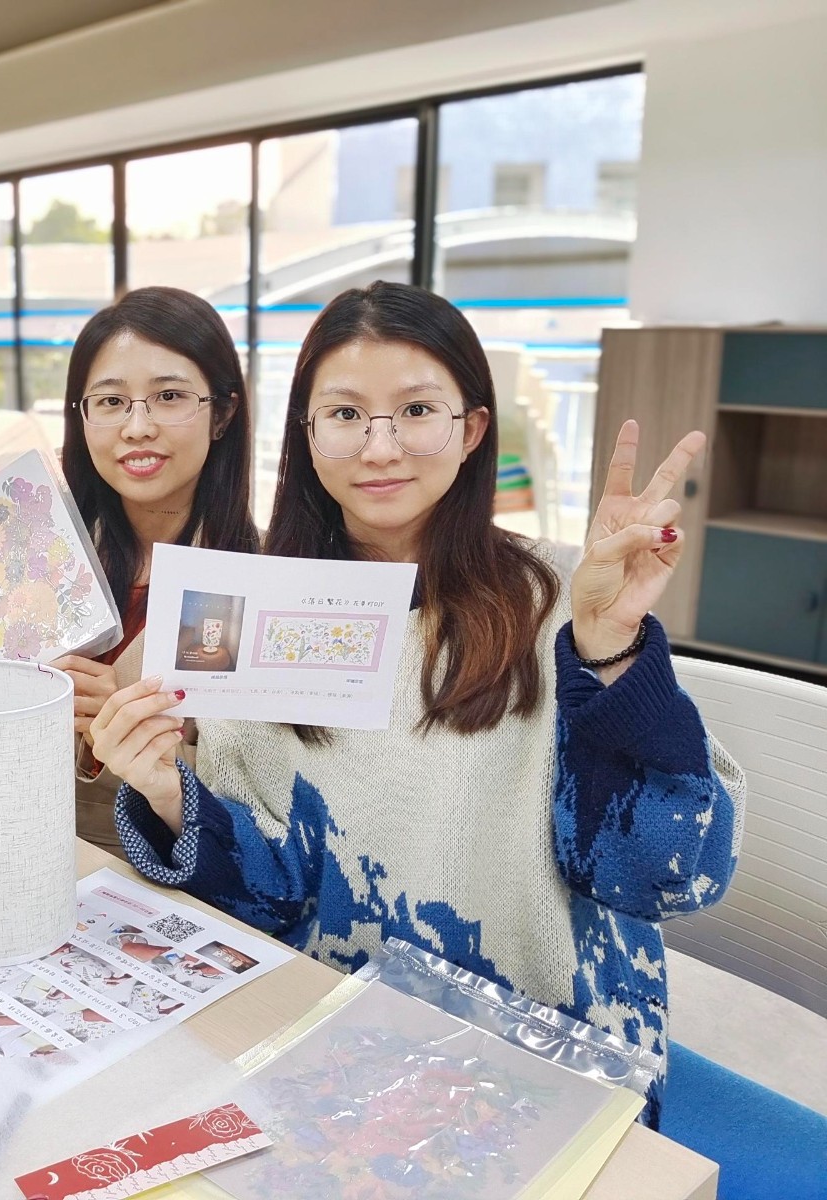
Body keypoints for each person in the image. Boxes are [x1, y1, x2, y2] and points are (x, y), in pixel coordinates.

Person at [88, 281, 744, 1124]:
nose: (381, 447)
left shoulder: (566, 599)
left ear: (471, 430)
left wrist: (611, 653)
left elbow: (670, 874)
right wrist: (170, 794)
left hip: (540, 1062)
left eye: (417, 411)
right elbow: (268, 897)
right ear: (307, 435)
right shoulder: (257, 608)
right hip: (331, 1046)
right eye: (345, 414)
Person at [0, 288, 259, 849]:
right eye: (111, 401)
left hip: (150, 879)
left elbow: (264, 807)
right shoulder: (33, 548)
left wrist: (135, 737)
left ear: (222, 414)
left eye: (169, 396)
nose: (137, 427)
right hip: (2, 846)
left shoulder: (259, 580)